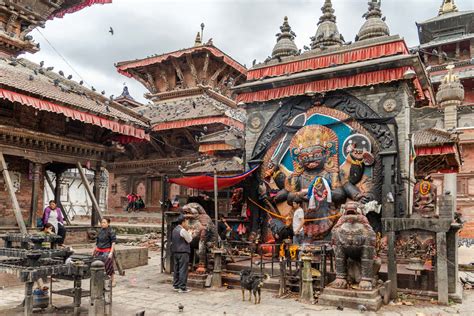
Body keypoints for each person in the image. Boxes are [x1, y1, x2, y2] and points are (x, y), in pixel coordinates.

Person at [171, 214, 193, 293]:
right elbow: (189, 240)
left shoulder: (174, 229)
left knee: (176, 269)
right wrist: (190, 232)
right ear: (183, 222)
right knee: (183, 269)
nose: (187, 223)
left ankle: (176, 285)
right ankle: (182, 287)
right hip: (183, 252)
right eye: (186, 222)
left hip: (175, 251)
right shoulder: (182, 230)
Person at [93, 218, 117, 286]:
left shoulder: (111, 231)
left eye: (104, 222)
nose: (102, 224)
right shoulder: (100, 231)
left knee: (109, 266)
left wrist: (111, 253)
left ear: (108, 223)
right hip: (99, 250)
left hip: (107, 251)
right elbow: (97, 242)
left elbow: (113, 243)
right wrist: (94, 250)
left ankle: (113, 281)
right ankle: (99, 280)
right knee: (97, 265)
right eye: (102, 222)